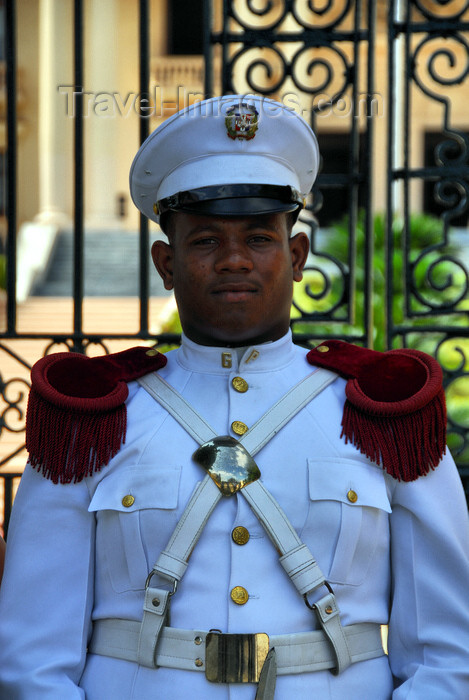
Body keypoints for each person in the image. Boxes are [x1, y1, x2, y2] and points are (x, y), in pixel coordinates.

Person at [0, 94, 468, 699]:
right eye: (204, 242)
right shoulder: (93, 415)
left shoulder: (382, 411)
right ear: (165, 264)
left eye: (259, 237)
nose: (235, 260)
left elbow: (446, 652)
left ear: (297, 255)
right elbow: (32, 658)